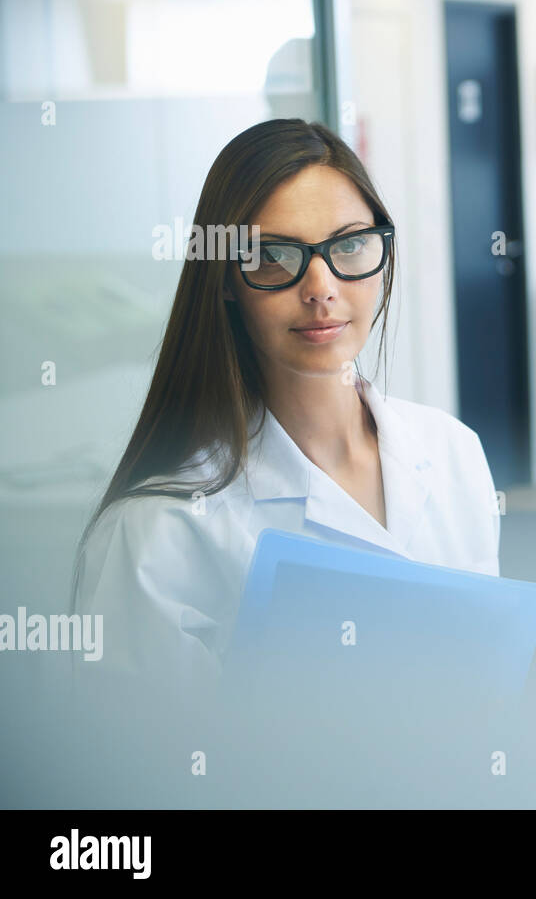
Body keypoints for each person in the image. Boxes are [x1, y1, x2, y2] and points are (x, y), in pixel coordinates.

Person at [71, 119, 500, 689]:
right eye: (273, 255)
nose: (321, 287)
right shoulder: (162, 527)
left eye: (349, 245)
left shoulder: (453, 452)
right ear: (225, 279)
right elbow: (145, 765)